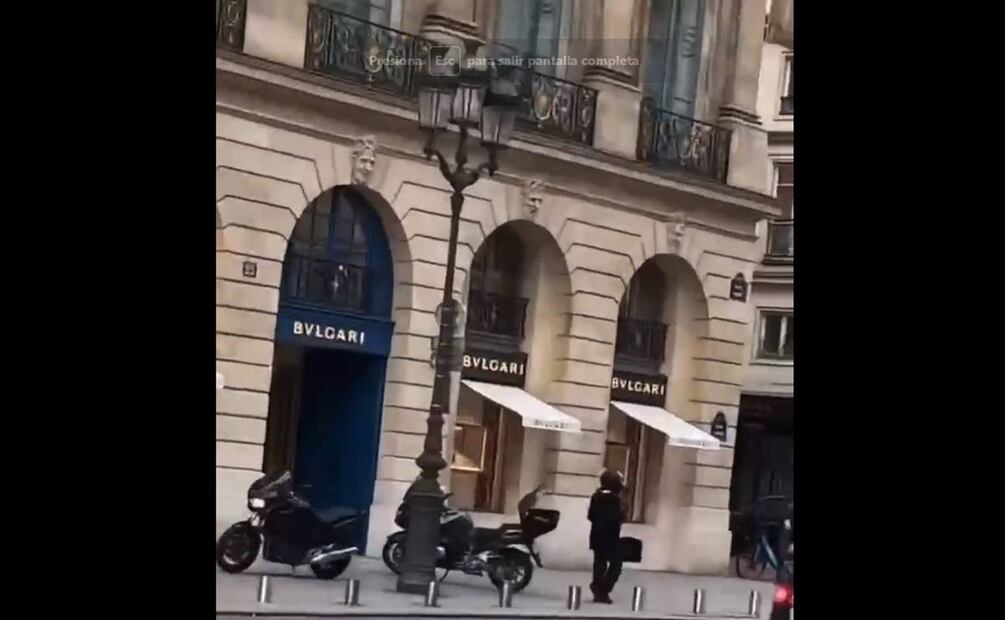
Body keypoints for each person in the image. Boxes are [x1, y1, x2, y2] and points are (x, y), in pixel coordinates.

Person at [588, 470, 625, 604]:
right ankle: (602, 589)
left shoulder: (596, 496)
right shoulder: (613, 499)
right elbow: (617, 517)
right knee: (616, 564)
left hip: (596, 535)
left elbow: (590, 516)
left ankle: (598, 589)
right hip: (609, 536)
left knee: (599, 563)